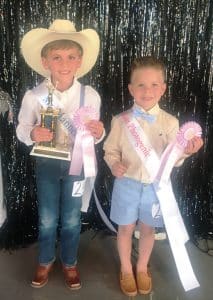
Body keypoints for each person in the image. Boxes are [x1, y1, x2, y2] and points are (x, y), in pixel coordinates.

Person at [103, 56, 203, 296]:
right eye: (141, 85)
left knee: (148, 230)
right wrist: (114, 164)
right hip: (126, 185)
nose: (147, 91)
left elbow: (174, 159)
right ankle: (126, 269)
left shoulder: (171, 122)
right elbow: (110, 150)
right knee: (125, 229)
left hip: (155, 188)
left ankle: (141, 268)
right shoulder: (120, 121)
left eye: (154, 85)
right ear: (131, 89)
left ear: (163, 88)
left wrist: (186, 153)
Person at [16, 19, 104, 290]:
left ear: (79, 61)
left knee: (71, 217)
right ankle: (45, 259)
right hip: (47, 164)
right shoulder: (34, 96)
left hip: (78, 166)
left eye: (70, 57)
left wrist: (100, 132)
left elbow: (94, 134)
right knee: (46, 217)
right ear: (45, 62)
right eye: (57, 57)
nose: (64, 63)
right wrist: (32, 134)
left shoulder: (90, 95)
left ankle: (69, 261)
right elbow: (22, 127)